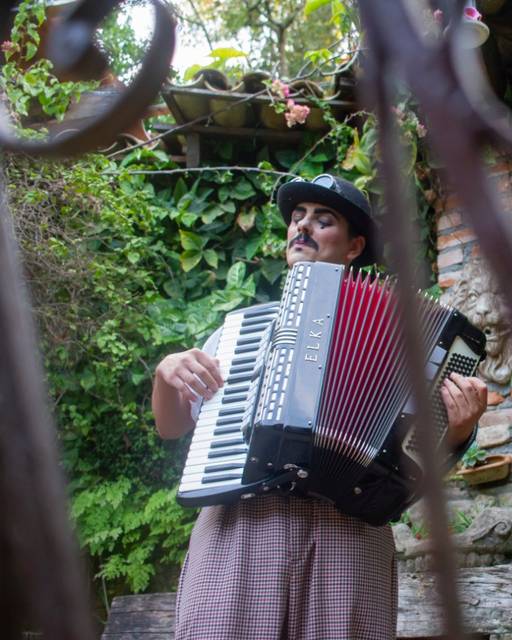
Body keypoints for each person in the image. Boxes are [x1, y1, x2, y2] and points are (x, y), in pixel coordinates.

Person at [152, 174, 488, 640]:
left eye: (323, 219)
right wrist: (166, 373)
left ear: (354, 247)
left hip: (347, 530)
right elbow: (171, 427)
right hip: (246, 525)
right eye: (296, 218)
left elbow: (417, 462)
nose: (302, 227)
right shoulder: (242, 334)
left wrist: (457, 429)